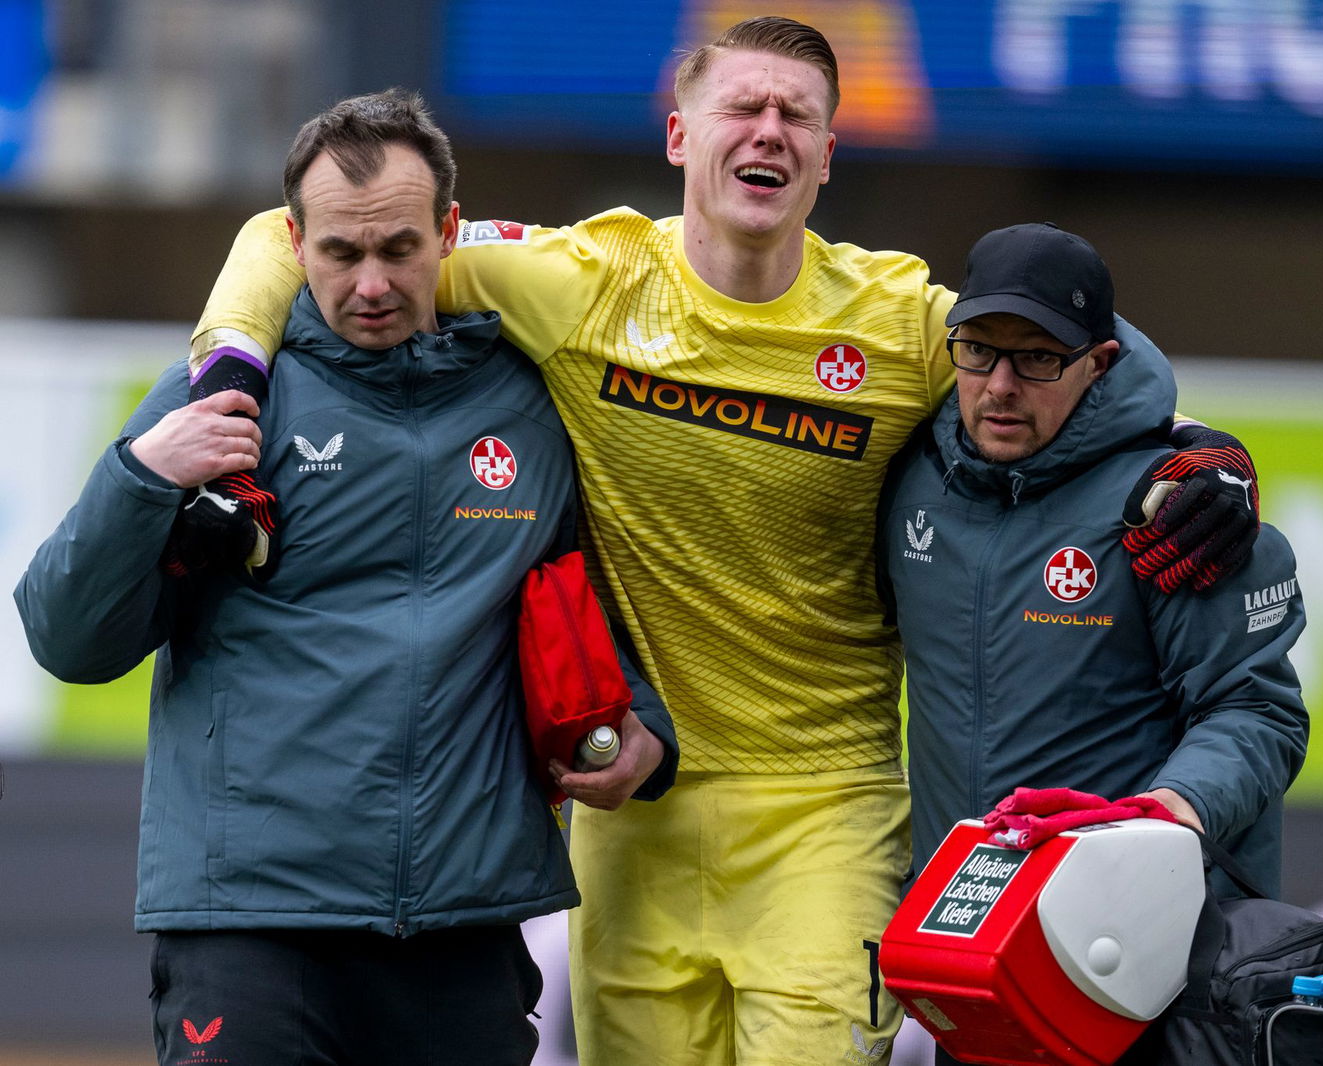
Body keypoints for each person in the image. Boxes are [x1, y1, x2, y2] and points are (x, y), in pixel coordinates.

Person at [180, 18, 1261, 1065]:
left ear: (828, 155)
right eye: (741, 104)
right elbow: (285, 235)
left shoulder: (895, 324)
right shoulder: (583, 282)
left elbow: (1068, 349)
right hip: (635, 814)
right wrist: (230, 373)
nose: (769, 129)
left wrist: (1198, 449)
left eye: (798, 114)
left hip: (826, 810)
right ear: (679, 136)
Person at [13, 89, 676, 1066]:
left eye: (399, 249)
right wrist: (142, 475)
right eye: (340, 252)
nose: (372, 282)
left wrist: (647, 737)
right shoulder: (226, 393)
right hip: (253, 928)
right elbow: (68, 639)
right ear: (293, 242)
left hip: (466, 935)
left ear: (449, 233)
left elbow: (597, 607)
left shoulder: (533, 400)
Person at [878, 223, 1309, 1063]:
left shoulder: (1179, 509)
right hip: (973, 956)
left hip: (1143, 971)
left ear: (1099, 363)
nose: (1001, 386)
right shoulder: (908, 475)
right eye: (979, 352)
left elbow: (1258, 713)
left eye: (1038, 359)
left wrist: (1159, 817)